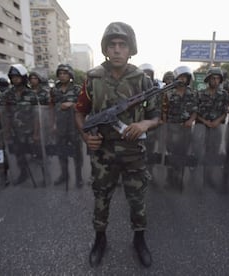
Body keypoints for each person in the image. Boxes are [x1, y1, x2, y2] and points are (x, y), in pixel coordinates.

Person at [75, 22, 157, 268]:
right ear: (106, 49)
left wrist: (144, 125)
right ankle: (100, 240)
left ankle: (139, 240)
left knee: (137, 199)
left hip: (134, 153)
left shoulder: (142, 80)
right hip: (103, 153)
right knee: (101, 198)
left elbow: (156, 116)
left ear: (131, 49)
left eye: (123, 45)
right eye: (112, 44)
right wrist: (85, 137)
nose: (118, 49)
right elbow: (80, 112)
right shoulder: (92, 79)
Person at [0, 64, 38, 184]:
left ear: (23, 77)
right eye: (12, 77)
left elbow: (37, 115)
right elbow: (5, 113)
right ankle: (23, 173)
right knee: (18, 154)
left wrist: (36, 133)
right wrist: (6, 131)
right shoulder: (7, 94)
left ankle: (43, 172)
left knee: (37, 153)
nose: (14, 79)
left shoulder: (31, 94)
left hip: (30, 130)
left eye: (17, 76)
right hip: (15, 131)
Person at [161, 65, 198, 186]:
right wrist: (166, 129)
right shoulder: (168, 93)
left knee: (183, 153)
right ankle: (170, 176)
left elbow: (195, 111)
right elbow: (164, 112)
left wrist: (190, 120)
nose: (182, 80)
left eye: (185, 77)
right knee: (171, 154)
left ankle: (179, 176)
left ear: (188, 79)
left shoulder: (192, 93)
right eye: (180, 77)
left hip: (186, 129)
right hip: (172, 128)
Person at [50, 64, 83, 187]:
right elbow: (51, 107)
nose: (62, 76)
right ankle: (64, 175)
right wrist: (52, 124)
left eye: (65, 73)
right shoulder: (54, 90)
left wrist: (71, 104)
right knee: (61, 152)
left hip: (74, 126)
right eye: (60, 73)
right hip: (60, 126)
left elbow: (83, 107)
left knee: (77, 153)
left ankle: (79, 177)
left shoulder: (77, 89)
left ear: (70, 75)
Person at [196, 67, 229, 156]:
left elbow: (225, 111)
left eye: (218, 78)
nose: (215, 81)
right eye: (213, 78)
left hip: (217, 128)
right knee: (198, 152)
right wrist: (205, 121)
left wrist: (217, 122)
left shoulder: (224, 94)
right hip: (201, 128)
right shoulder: (200, 93)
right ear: (208, 79)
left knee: (213, 153)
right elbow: (195, 111)